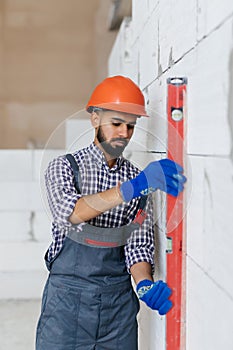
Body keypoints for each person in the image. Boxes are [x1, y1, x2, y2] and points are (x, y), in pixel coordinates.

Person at [36, 75, 186, 350]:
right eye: (116, 123)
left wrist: (144, 284)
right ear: (95, 118)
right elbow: (69, 213)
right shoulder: (64, 167)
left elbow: (138, 245)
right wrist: (131, 189)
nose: (124, 134)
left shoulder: (140, 179)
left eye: (130, 126)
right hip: (66, 307)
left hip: (117, 310)